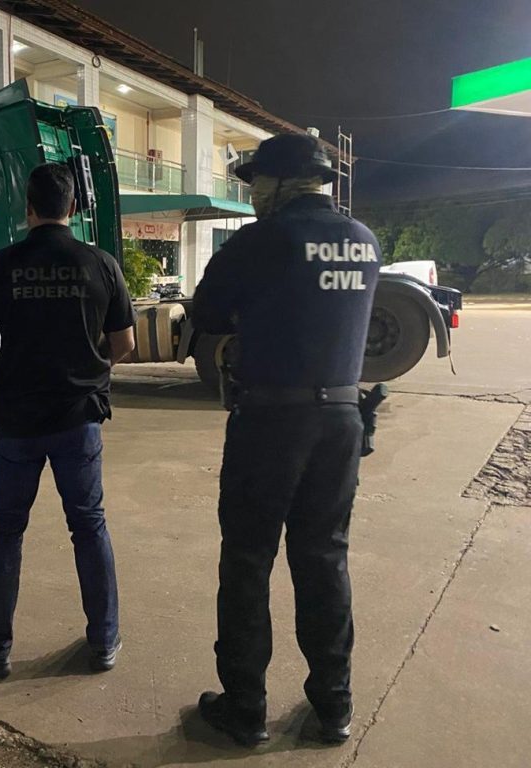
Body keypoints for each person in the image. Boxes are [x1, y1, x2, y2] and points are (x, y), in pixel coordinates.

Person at [192, 133, 381, 746]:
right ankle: (334, 707)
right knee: (324, 558)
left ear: (277, 183)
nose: (253, 196)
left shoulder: (260, 240)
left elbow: (206, 313)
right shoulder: (364, 240)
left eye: (256, 185)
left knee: (248, 562)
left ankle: (245, 708)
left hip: (271, 422)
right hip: (343, 420)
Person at [0, 163, 136, 678]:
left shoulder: (0, 265)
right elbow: (125, 343)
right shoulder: (100, 263)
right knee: (88, 525)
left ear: (28, 208)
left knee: (5, 529)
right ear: (73, 208)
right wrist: (90, 371)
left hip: (17, 421)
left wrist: (7, 378)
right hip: (78, 418)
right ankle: (103, 641)